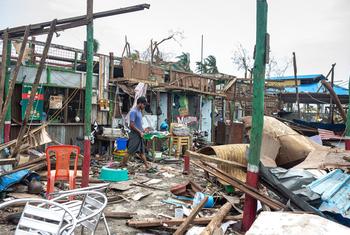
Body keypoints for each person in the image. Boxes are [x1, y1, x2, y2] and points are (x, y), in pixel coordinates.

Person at [121, 96, 150, 169]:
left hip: (139, 134)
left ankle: (147, 166)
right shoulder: (133, 112)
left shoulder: (139, 111)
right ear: (140, 103)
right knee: (129, 152)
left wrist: (143, 130)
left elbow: (138, 124)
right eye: (144, 104)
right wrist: (140, 132)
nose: (144, 106)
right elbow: (131, 125)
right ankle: (122, 166)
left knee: (142, 152)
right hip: (134, 135)